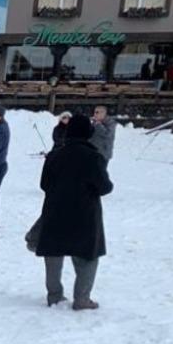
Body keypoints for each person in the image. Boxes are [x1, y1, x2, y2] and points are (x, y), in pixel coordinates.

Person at [34, 114, 113, 309]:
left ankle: (54, 295)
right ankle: (82, 298)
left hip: (55, 211)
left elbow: (44, 184)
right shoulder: (94, 157)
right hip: (84, 214)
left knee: (53, 255)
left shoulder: (54, 155)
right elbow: (104, 187)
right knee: (87, 257)